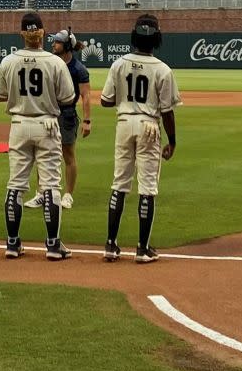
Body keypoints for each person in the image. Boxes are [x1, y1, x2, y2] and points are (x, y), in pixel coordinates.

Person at [100, 14, 180, 264]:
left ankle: (111, 245)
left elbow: (105, 100)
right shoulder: (163, 69)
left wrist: (125, 99)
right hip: (149, 126)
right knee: (147, 187)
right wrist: (173, 141)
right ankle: (142, 248)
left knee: (119, 183)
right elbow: (167, 110)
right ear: (157, 38)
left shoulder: (119, 64)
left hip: (124, 123)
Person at [0, 12, 77, 260]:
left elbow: (0, 95)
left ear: (22, 33)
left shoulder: (8, 61)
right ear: (42, 33)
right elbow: (67, 99)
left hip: (19, 124)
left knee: (15, 185)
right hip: (47, 125)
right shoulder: (56, 63)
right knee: (51, 184)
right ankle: (53, 245)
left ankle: (12, 243)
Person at [48, 30, 93, 209]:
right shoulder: (50, 64)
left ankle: (68, 194)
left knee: (68, 155)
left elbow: (86, 95)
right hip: (50, 113)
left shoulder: (78, 69)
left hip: (67, 114)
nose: (53, 44)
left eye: (57, 42)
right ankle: (42, 193)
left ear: (66, 46)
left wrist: (87, 120)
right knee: (45, 155)